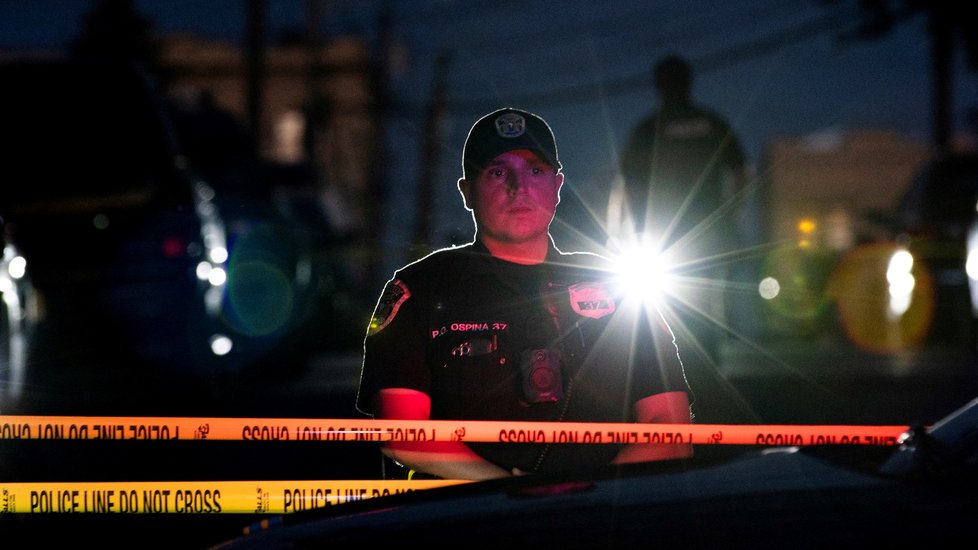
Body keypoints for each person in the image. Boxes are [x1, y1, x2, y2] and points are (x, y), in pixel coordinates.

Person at [356, 107, 694, 481]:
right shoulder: (420, 290)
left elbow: (670, 430)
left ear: (558, 186)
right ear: (467, 191)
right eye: (498, 172)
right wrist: (512, 497)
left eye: (536, 171)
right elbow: (405, 437)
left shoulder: (620, 286)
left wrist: (585, 501)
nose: (519, 187)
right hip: (469, 523)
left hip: (599, 525)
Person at [616, 54, 750, 366]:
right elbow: (742, 172)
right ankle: (707, 368)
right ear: (689, 83)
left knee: (666, 302)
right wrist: (730, 214)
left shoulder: (648, 129)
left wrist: (634, 228)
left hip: (665, 233)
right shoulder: (712, 123)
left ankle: (674, 370)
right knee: (705, 299)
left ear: (658, 86)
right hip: (709, 230)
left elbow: (630, 184)